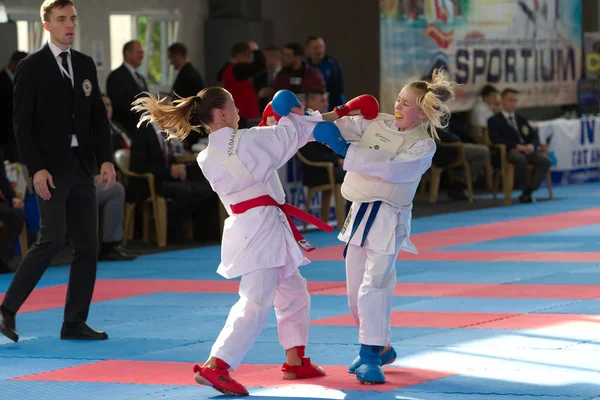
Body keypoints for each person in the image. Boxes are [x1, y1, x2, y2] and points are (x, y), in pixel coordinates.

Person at [132, 88, 351, 396]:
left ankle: (295, 359)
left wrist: (292, 120)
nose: (238, 112)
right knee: (255, 302)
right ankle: (216, 365)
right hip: (262, 230)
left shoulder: (207, 155)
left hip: (252, 225)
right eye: (233, 106)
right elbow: (286, 138)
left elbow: (273, 143)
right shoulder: (247, 140)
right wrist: (297, 115)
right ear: (221, 114)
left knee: (293, 291)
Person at [315, 69, 455, 384]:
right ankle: (382, 346)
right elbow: (331, 125)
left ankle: (368, 355)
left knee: (373, 286)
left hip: (389, 217)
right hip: (358, 213)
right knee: (353, 295)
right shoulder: (376, 122)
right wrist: (296, 119)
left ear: (424, 113)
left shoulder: (422, 146)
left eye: (407, 104)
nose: (398, 105)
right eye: (399, 99)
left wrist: (344, 150)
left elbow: (391, 170)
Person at [0, 0, 115, 343]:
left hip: (82, 167)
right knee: (50, 239)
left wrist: (106, 159)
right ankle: (6, 310)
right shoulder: (31, 67)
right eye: (62, 19)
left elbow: (98, 117)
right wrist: (36, 169)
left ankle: (74, 322)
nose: (70, 24)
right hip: (50, 169)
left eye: (73, 18)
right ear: (47, 25)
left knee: (87, 245)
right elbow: (22, 125)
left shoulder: (83, 64)